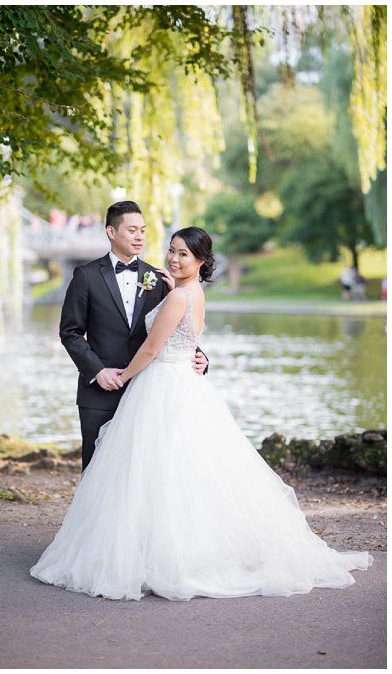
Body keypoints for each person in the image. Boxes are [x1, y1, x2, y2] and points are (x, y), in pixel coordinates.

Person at [31, 227, 372, 600]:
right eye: (172, 251)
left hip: (162, 384)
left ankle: (163, 556)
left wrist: (123, 376)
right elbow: (185, 337)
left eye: (183, 255)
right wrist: (169, 289)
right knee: (181, 473)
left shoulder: (178, 298)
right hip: (180, 383)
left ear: (202, 261)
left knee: (157, 473)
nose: (174, 259)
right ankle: (166, 551)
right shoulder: (190, 292)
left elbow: (150, 349)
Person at [58, 200, 208, 470]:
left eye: (143, 230)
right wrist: (97, 371)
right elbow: (70, 333)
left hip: (149, 392)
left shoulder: (160, 278)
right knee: (96, 473)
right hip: (99, 392)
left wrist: (200, 356)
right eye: (132, 230)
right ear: (111, 232)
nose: (139, 237)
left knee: (142, 473)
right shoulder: (86, 275)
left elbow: (175, 329)